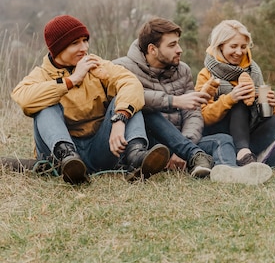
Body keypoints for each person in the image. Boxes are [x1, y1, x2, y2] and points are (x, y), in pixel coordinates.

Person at [11, 15, 169, 184]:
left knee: (128, 102)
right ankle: (68, 157)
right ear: (57, 48)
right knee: (43, 104)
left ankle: (136, 156)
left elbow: (131, 83)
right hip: (59, 156)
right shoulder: (40, 74)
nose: (84, 47)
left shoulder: (96, 65)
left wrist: (120, 118)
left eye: (85, 40)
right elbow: (24, 98)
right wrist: (72, 80)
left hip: (99, 149)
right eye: (75, 43)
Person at [113, 17, 272, 184]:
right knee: (145, 108)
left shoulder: (183, 70)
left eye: (178, 43)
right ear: (152, 49)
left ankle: (230, 172)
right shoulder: (122, 68)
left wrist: (183, 145)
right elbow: (124, 98)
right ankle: (187, 157)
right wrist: (174, 101)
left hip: (183, 141)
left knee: (224, 139)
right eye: (172, 45)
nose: (180, 50)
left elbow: (193, 113)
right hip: (149, 143)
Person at [196, 19, 275, 166]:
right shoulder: (206, 74)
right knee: (239, 103)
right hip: (220, 133)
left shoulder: (253, 71)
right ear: (220, 46)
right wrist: (229, 99)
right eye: (233, 46)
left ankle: (246, 156)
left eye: (243, 47)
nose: (239, 52)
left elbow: (264, 114)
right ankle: (243, 154)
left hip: (246, 132)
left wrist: (272, 105)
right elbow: (202, 116)